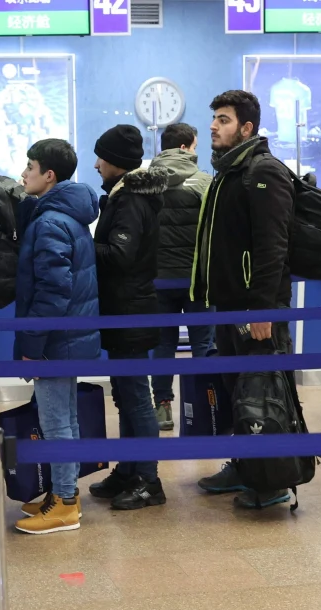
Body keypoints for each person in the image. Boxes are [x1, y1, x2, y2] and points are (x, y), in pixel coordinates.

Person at [191, 89, 300, 509]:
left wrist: (262, 310)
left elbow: (272, 246)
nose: (214, 126)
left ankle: (271, 482)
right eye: (215, 118)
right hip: (230, 303)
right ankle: (243, 465)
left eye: (223, 119)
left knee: (265, 395)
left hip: (255, 308)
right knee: (239, 391)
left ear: (247, 127)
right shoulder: (229, 172)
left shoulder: (263, 171)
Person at [12, 139, 101, 535]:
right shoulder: (67, 214)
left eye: (30, 167)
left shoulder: (50, 221)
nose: (24, 174)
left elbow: (52, 290)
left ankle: (64, 503)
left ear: (49, 175)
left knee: (55, 421)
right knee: (64, 418)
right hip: (70, 336)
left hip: (53, 340)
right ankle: (66, 494)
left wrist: (31, 345)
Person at [86, 125, 170, 511]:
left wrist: (82, 246)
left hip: (131, 311)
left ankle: (149, 479)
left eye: (101, 156)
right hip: (123, 310)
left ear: (115, 161)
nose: (97, 163)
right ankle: (129, 469)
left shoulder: (131, 201)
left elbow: (120, 255)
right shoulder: (122, 196)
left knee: (137, 397)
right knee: (124, 394)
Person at [150, 122, 214, 431]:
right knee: (203, 343)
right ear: (187, 147)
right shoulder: (205, 182)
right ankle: (204, 405)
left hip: (159, 280)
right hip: (197, 280)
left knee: (163, 345)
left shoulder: (147, 182)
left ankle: (162, 408)